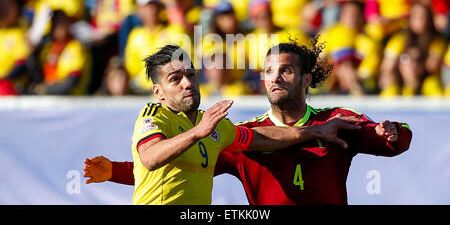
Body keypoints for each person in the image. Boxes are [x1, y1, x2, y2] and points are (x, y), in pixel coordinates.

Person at [84, 39, 412, 205]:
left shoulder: (335, 121)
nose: (275, 78)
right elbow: (165, 162)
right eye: (268, 71)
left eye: (286, 70)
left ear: (307, 79)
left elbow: (391, 142)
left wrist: (394, 132)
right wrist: (116, 171)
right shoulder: (233, 133)